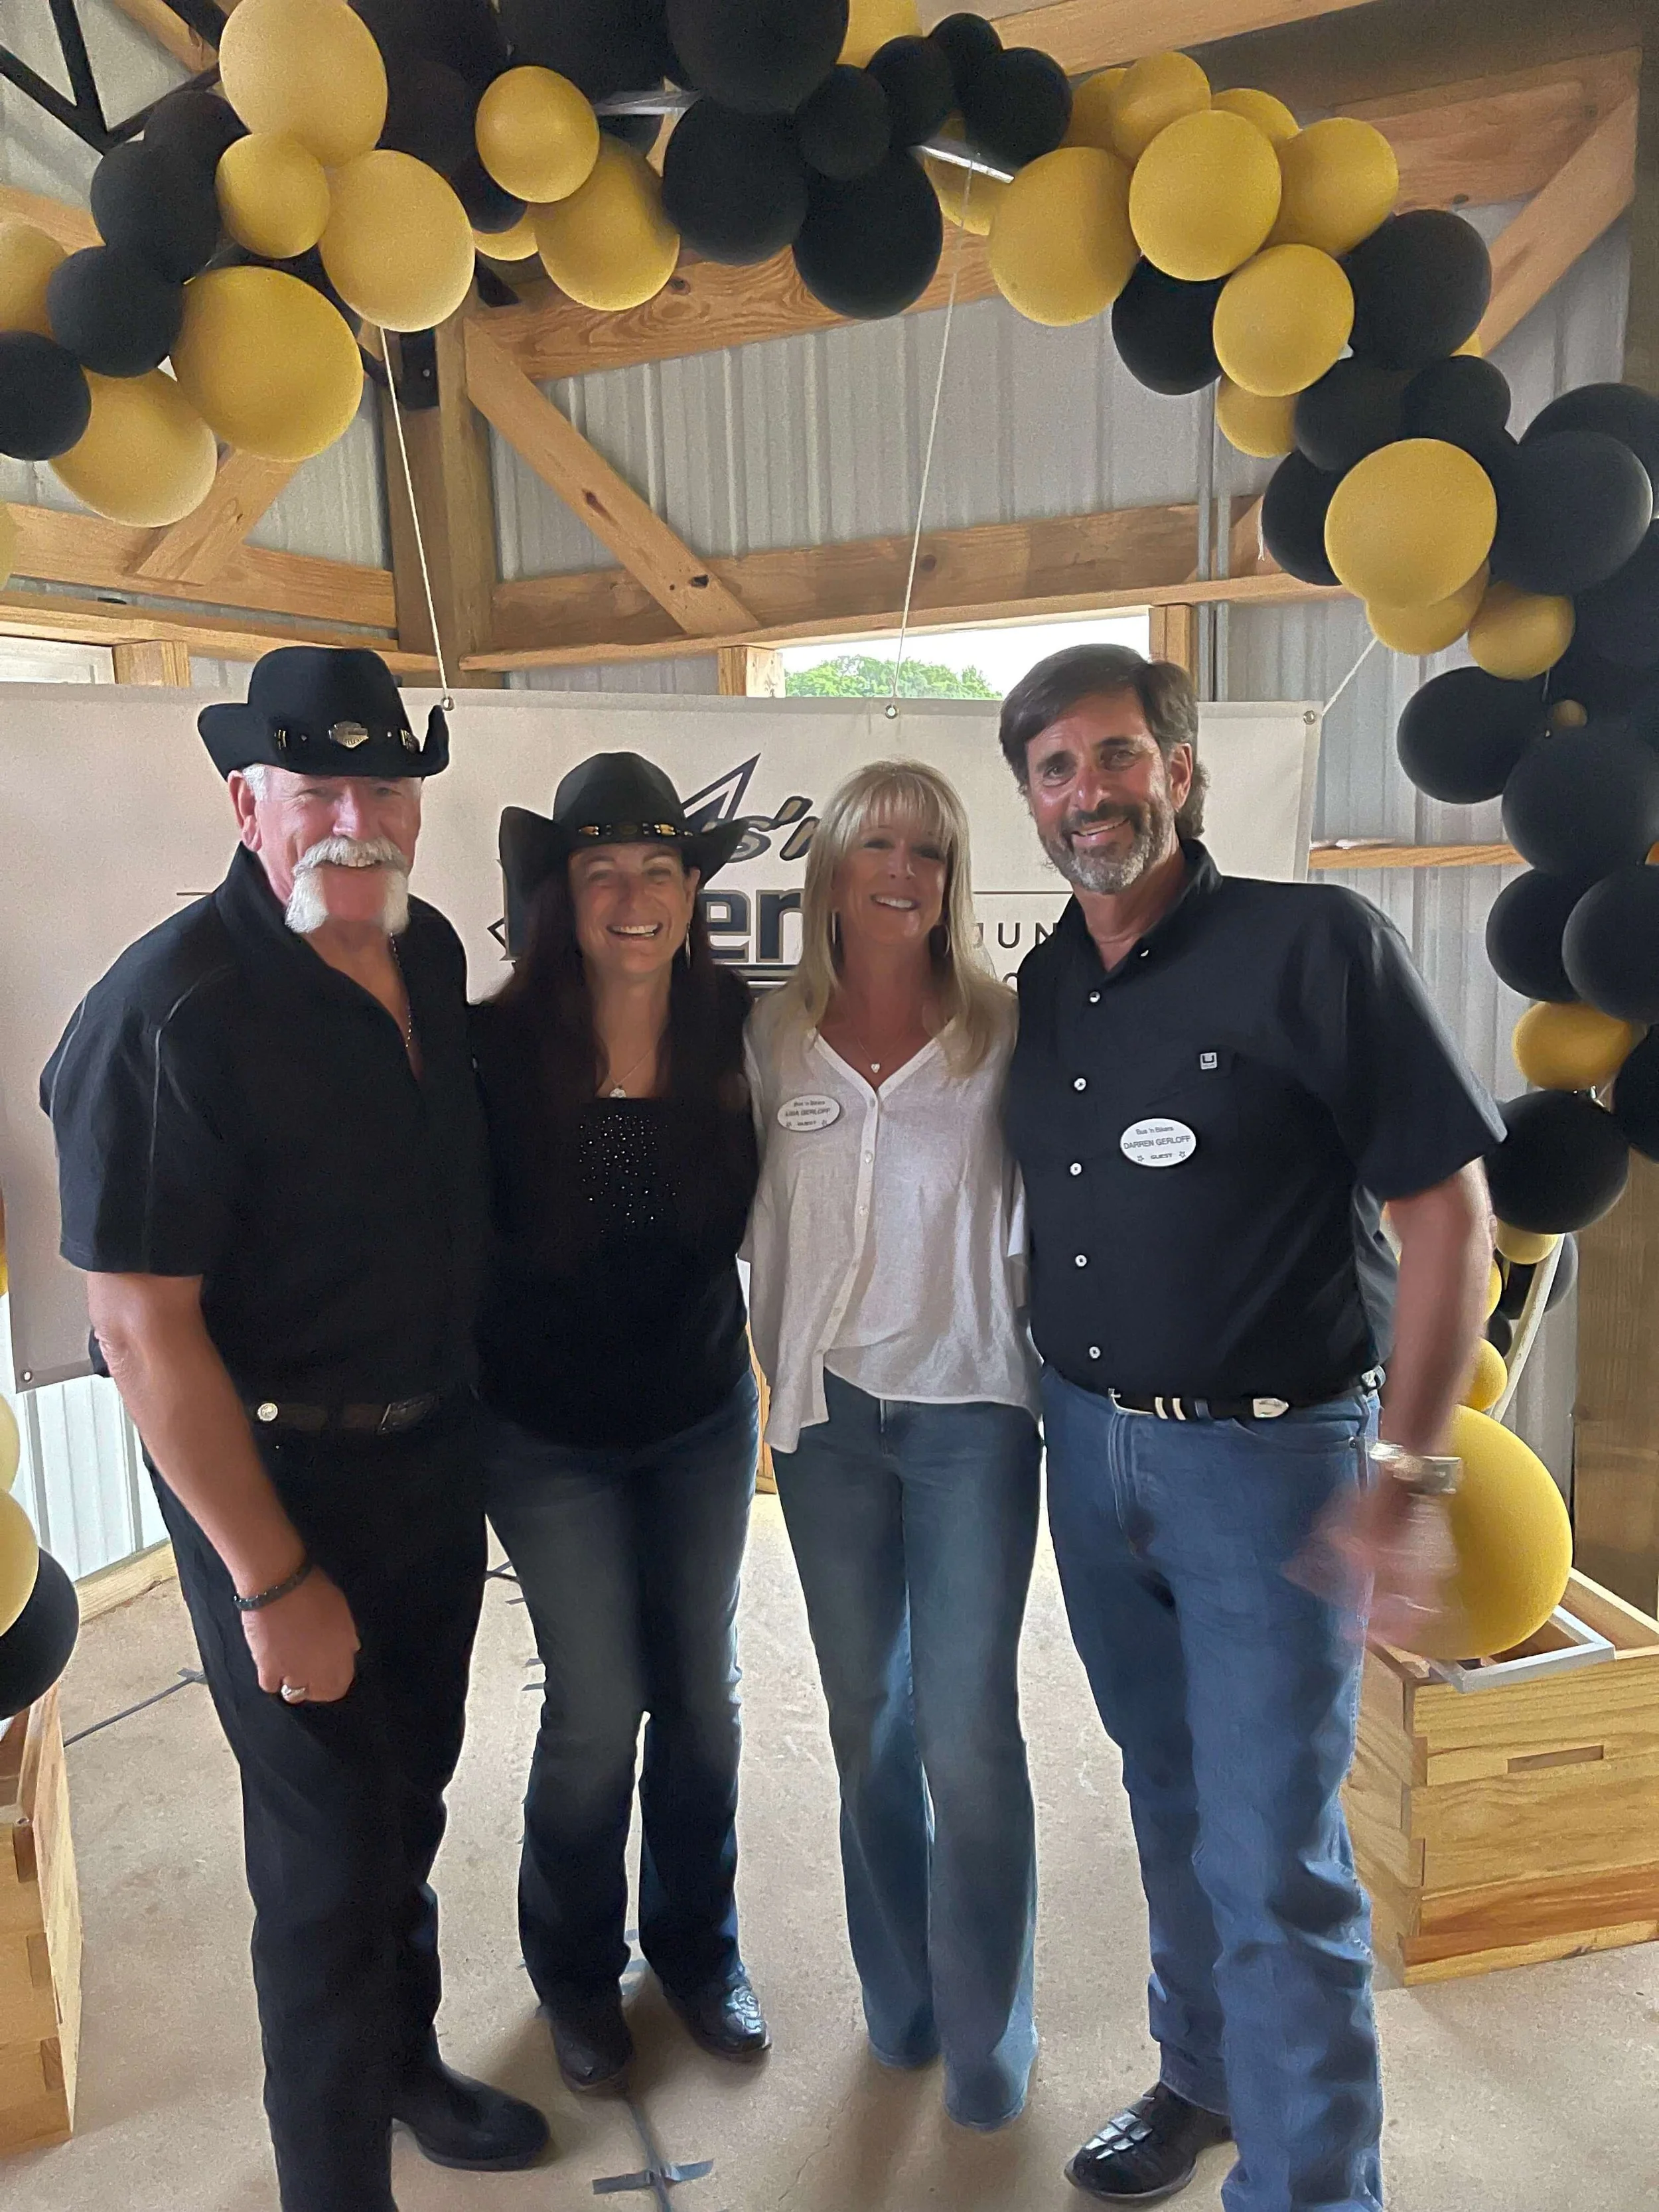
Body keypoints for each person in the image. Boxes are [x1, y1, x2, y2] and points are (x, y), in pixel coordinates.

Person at [39, 648, 549, 2212]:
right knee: (325, 1867)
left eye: (383, 785)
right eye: (315, 788)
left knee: (410, 1794)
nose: (354, 817)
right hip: (273, 1488)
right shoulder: (166, 1012)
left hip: (430, 1457)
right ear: (244, 803)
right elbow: (142, 1332)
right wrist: (270, 1579)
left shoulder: (427, 950)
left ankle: (404, 2067)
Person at [997, 644, 1500, 2211]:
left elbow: (1451, 1222)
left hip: (1268, 1469)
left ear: (1177, 768)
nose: (1087, 793)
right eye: (1053, 769)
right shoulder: (1046, 982)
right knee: (1166, 1796)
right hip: (1088, 1451)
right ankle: (1201, 2077)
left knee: (1272, 1856)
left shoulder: (1313, 944)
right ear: (1029, 800)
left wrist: (1401, 1474)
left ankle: (1307, 2186)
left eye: (1113, 755)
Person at [745, 759, 1043, 2133]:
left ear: (952, 877)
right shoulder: (769, 1037)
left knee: (966, 1733)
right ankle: (902, 1999)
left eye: (929, 851)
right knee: (868, 1718)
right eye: (878, 843)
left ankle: (988, 2033)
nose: (903, 871)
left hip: (972, 1415)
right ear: (829, 870)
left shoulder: (1003, 1030)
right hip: (826, 1424)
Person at [472, 753, 768, 2099]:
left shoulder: (741, 1030)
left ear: (692, 892)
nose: (634, 896)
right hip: (546, 1433)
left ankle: (698, 1951)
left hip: (700, 1412)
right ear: (560, 895)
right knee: (597, 1706)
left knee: (701, 1697)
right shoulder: (488, 1049)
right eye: (602, 871)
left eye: (659, 869)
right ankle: (576, 1973)